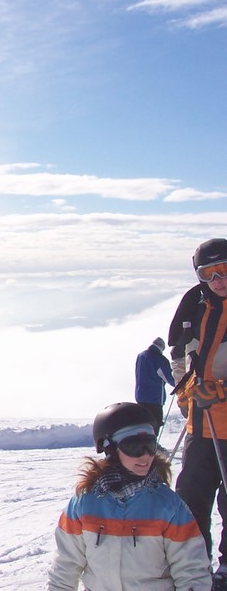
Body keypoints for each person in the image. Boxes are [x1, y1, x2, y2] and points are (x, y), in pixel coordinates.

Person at [47, 402, 211, 591]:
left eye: (150, 445)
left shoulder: (168, 506)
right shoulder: (85, 503)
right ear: (111, 449)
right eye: (134, 447)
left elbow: (192, 571)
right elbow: (64, 567)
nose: (145, 456)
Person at [169, 238, 227, 589]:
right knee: (190, 498)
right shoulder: (194, 302)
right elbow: (180, 353)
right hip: (201, 425)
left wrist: (221, 391)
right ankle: (193, 567)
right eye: (210, 273)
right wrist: (185, 395)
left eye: (226, 270)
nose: (219, 279)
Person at [134, 337, 175, 433]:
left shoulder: (141, 356)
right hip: (154, 398)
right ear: (162, 347)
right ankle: (153, 444)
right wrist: (180, 384)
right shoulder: (160, 359)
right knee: (155, 422)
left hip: (140, 396)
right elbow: (169, 378)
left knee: (144, 423)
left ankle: (143, 444)